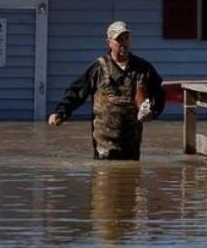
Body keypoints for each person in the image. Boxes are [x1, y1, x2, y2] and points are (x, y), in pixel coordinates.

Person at [48, 21, 165, 160]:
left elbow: (160, 93)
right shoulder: (98, 67)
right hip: (104, 146)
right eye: (118, 39)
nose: (123, 43)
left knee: (132, 178)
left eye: (126, 38)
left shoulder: (143, 68)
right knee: (105, 176)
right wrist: (60, 112)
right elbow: (76, 92)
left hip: (132, 146)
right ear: (109, 42)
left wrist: (153, 112)